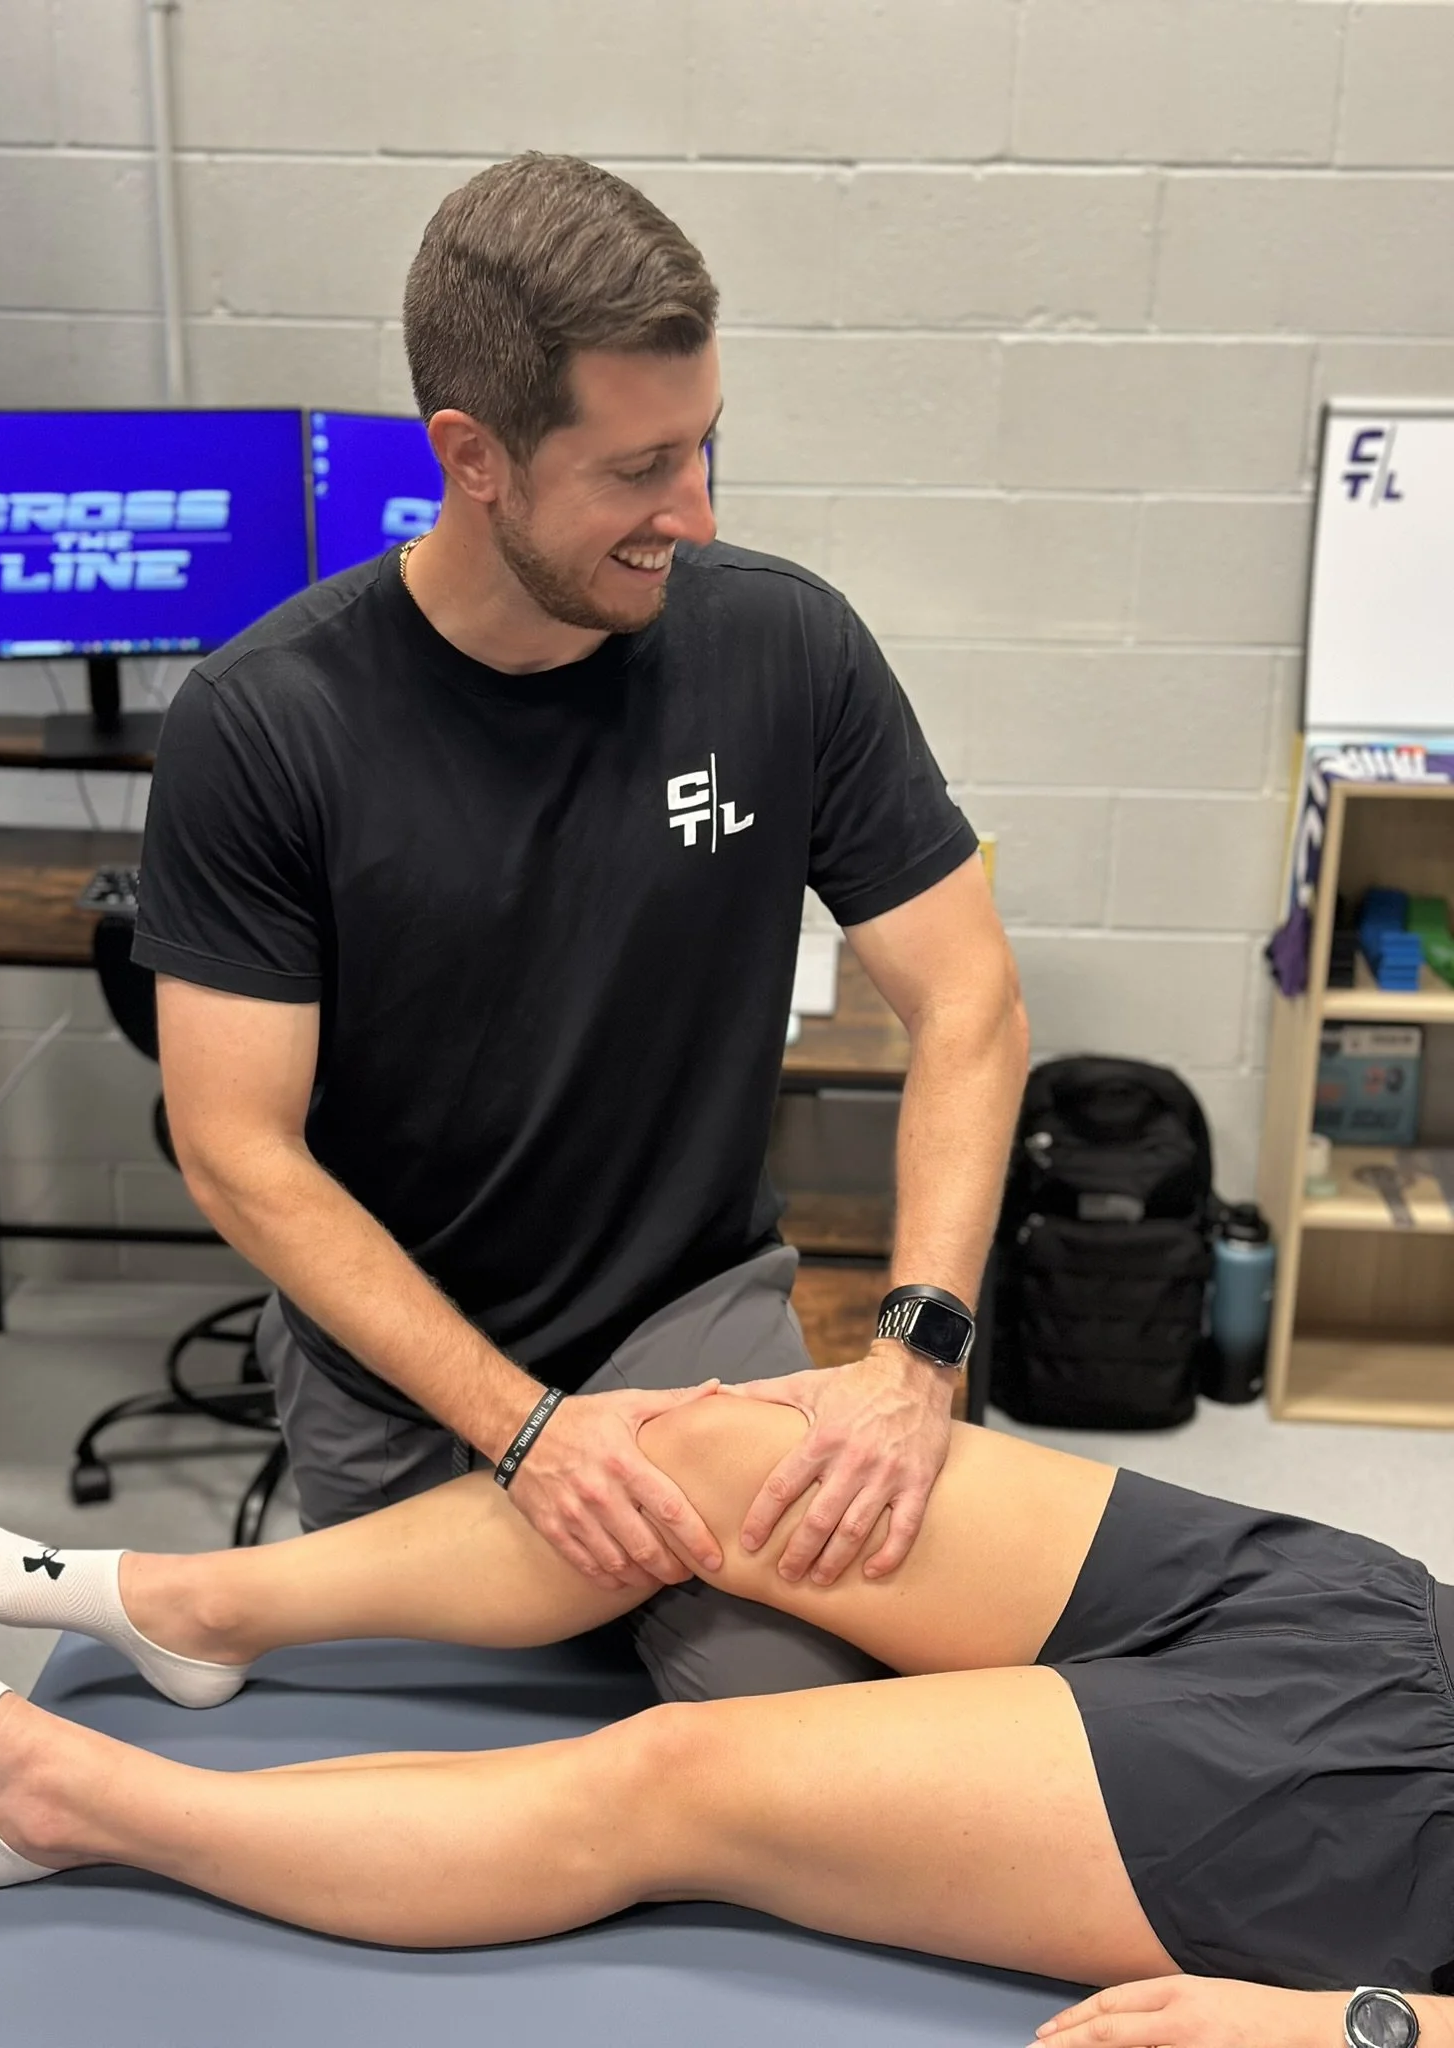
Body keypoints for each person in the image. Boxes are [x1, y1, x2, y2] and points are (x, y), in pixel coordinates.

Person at [129, 150, 1029, 1703]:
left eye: (705, 449)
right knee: (424, 1783)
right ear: (471, 456)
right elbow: (236, 1149)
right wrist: (520, 1425)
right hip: (404, 1368)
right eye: (636, 470)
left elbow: (970, 1005)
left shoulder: (782, 648)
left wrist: (916, 1354)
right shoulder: (266, 724)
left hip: (690, 1321)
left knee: (796, 1726)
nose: (692, 511)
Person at [0, 1391, 1451, 2048]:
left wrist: (1376, 2025)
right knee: (717, 1461)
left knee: (678, 1782)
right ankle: (192, 1608)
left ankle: (49, 1800)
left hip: (1386, 1843)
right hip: (1386, 1623)